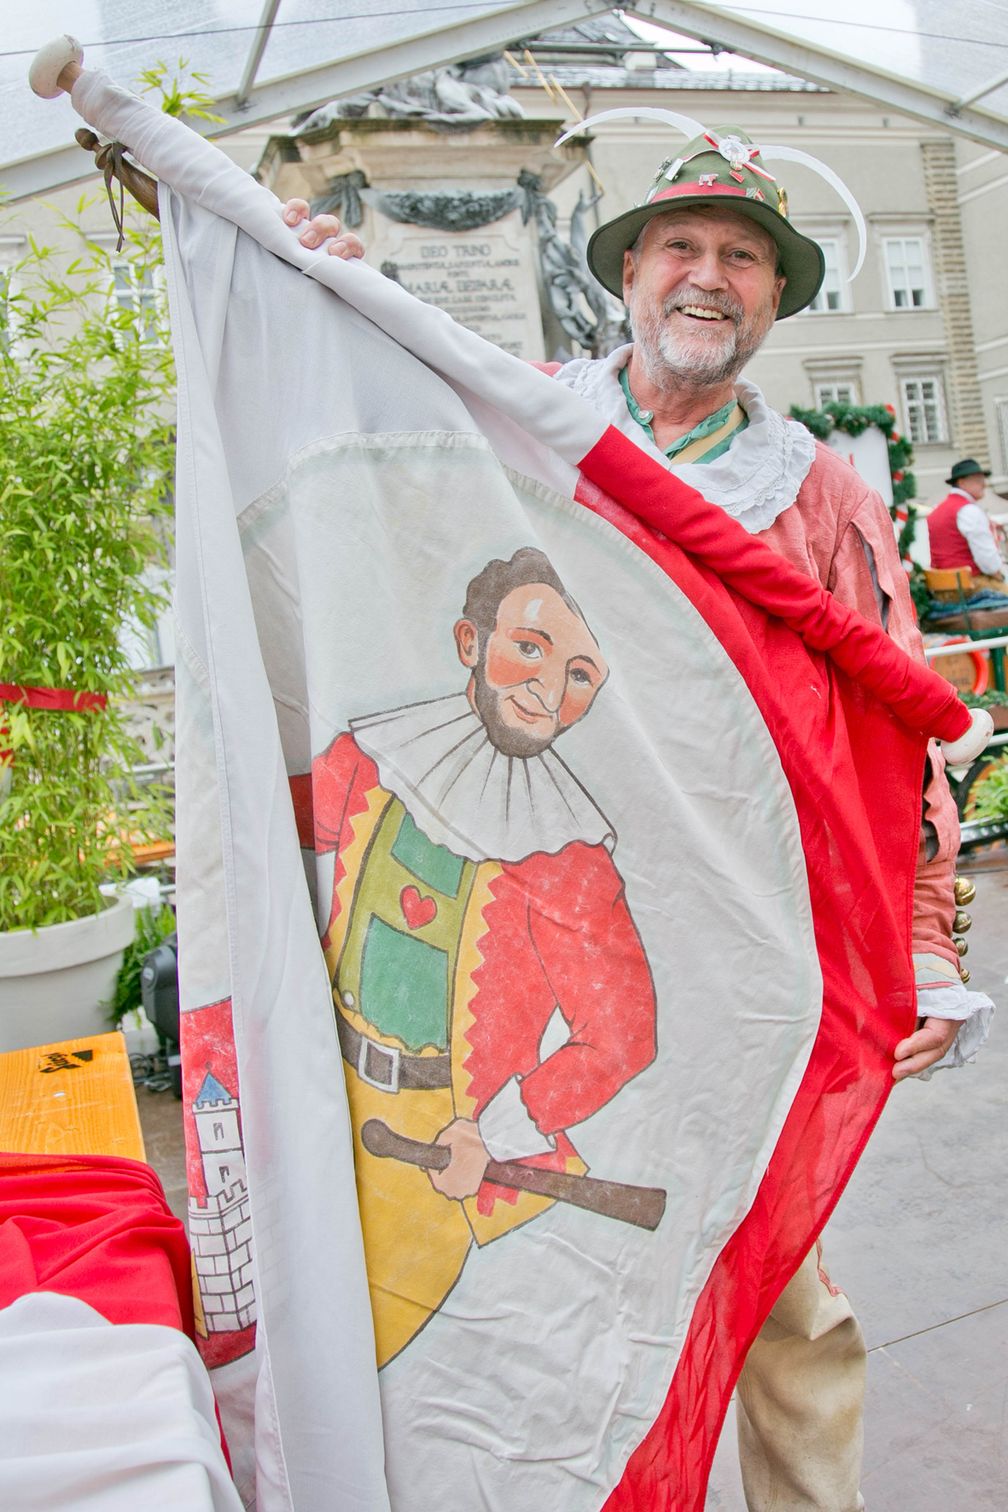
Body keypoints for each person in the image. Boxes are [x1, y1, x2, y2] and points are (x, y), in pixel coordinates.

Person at [279, 127, 986, 1511]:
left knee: (773, 1282)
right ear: (630, 275)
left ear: (774, 299)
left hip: (740, 944)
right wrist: (336, 296)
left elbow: (889, 733)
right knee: (534, 1280)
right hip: (540, 919)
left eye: (742, 257)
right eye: (681, 247)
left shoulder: (817, 499)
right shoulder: (518, 423)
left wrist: (925, 937)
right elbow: (382, 467)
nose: (708, 278)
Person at [290, 546, 657, 1368]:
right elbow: (291, 857)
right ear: (470, 642)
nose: (547, 687)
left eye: (581, 674)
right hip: (324, 1104)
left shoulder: (568, 857)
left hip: (438, 1151)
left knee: (379, 1365)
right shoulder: (369, 759)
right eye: (529, 646)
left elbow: (624, 1031)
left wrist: (494, 1133)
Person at [927, 457, 1008, 592]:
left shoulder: (937, 511)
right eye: (978, 480)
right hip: (968, 586)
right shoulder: (969, 511)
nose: (984, 484)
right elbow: (988, 561)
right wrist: (1000, 577)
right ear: (962, 482)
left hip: (942, 587)